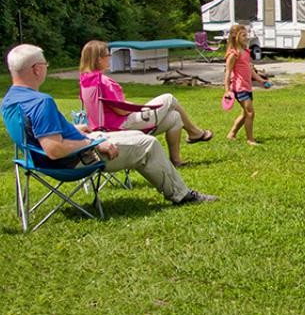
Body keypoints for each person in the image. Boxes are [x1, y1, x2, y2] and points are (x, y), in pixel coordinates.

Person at [2, 44, 217, 204]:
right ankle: (182, 195)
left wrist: (73, 129)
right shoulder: (41, 102)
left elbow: (39, 135)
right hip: (76, 159)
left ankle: (179, 185)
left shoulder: (10, 100)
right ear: (37, 69)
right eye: (45, 64)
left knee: (144, 138)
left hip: (40, 160)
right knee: (148, 144)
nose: (46, 68)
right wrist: (93, 144)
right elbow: (54, 149)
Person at [78, 40, 213, 168]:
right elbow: (121, 111)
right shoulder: (104, 82)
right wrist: (139, 109)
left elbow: (110, 106)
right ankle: (195, 132)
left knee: (175, 117)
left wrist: (132, 106)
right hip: (120, 126)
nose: (110, 57)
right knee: (169, 98)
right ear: (99, 59)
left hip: (102, 128)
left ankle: (176, 161)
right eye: (108, 54)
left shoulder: (86, 81)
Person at [224, 25, 271, 145]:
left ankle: (232, 134)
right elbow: (228, 72)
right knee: (250, 112)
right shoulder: (233, 54)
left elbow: (250, 70)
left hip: (247, 86)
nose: (247, 37)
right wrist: (227, 90)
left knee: (245, 113)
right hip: (239, 88)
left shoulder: (245, 51)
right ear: (236, 37)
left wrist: (261, 80)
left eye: (247, 35)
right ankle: (250, 140)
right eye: (244, 35)